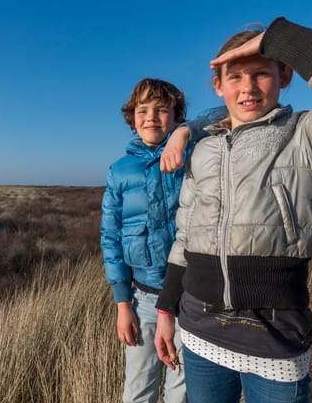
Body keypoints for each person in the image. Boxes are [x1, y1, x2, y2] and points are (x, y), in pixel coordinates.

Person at [153, 17, 312, 403]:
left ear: (285, 76)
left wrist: (281, 40)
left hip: (274, 335)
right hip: (198, 329)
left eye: (261, 73)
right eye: (235, 77)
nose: (247, 88)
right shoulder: (203, 149)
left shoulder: (306, 136)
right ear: (218, 86)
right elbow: (184, 235)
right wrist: (166, 311)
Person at [101, 78, 225, 403]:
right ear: (132, 117)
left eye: (161, 110)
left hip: (190, 297)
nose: (151, 117)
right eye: (143, 110)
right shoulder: (120, 171)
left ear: (176, 114)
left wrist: (185, 133)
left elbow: (225, 111)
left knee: (180, 391)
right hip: (143, 301)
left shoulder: (193, 153)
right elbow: (111, 239)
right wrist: (122, 304)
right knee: (138, 390)